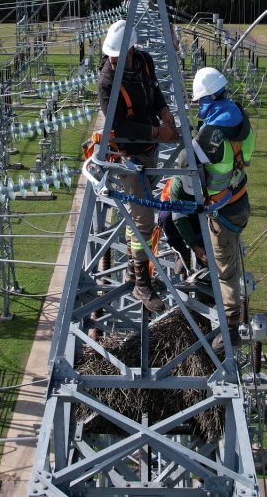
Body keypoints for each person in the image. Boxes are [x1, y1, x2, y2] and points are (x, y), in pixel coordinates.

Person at [97, 19, 178, 313]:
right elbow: (119, 124)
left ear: (131, 48)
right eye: (111, 54)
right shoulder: (107, 80)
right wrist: (159, 132)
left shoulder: (144, 61)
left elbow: (154, 93)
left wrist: (165, 112)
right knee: (143, 219)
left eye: (118, 53)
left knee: (140, 216)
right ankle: (141, 284)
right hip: (128, 157)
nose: (113, 59)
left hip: (148, 148)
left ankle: (134, 268)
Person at [191, 67, 254, 351]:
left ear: (207, 98)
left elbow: (192, 166)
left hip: (222, 210)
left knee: (226, 271)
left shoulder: (210, 134)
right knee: (229, 259)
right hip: (240, 199)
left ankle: (229, 330)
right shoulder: (240, 117)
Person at [158, 152, 208, 279]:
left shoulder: (210, 176)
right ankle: (181, 253)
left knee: (208, 258)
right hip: (181, 217)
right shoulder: (177, 185)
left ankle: (207, 276)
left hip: (203, 216)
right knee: (166, 216)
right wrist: (195, 246)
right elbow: (179, 218)